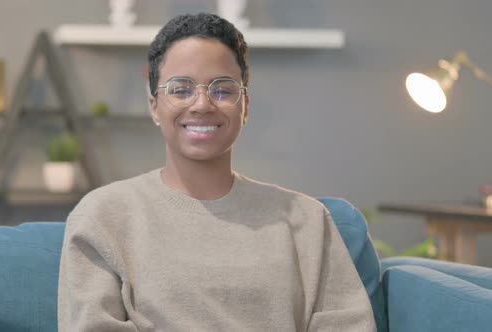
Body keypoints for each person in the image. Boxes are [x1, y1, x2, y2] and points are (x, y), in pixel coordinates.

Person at [58, 12, 376, 331]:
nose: (201, 104)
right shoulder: (103, 216)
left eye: (222, 90)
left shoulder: (308, 220)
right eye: (181, 90)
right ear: (154, 106)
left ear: (245, 107)